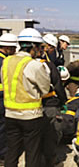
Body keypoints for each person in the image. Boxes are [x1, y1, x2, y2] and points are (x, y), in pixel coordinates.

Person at [1, 28, 50, 167]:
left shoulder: (7, 61)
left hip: (10, 114)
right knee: (32, 153)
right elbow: (45, 89)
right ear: (33, 46)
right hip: (30, 116)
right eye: (39, 47)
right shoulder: (34, 65)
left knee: (12, 151)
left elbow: (6, 83)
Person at [40, 34, 68, 167]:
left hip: (30, 104)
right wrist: (63, 101)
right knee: (52, 133)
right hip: (48, 103)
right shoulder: (47, 63)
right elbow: (57, 85)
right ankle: (50, 161)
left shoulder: (28, 60)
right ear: (48, 47)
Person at [0, 33, 18, 165]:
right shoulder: (3, 61)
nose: (14, 52)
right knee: (2, 127)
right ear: (7, 48)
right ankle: (2, 155)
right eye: (13, 49)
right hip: (2, 98)